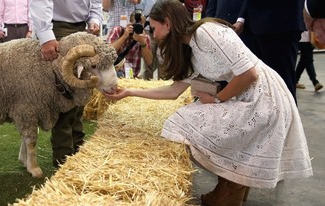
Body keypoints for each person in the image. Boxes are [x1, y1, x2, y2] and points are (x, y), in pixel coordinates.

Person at [105, 1, 312, 205]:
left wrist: (216, 99)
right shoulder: (188, 48)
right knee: (183, 118)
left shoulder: (207, 31)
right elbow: (173, 91)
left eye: (155, 27)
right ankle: (231, 184)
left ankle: (232, 184)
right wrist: (129, 92)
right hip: (246, 96)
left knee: (183, 121)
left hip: (265, 97)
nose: (153, 33)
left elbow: (249, 74)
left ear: (167, 23)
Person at [30, 0, 102, 167]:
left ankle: (77, 152)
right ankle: (63, 159)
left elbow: (96, 1)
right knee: (65, 95)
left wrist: (95, 20)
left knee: (81, 92)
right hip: (58, 27)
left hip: (83, 27)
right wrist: (46, 35)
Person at [237, 0, 304, 102]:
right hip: (250, 26)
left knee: (282, 86)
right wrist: (241, 18)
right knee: (257, 92)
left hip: (280, 23)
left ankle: (289, 118)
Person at [107, 10, 153, 78]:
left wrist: (142, 42)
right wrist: (124, 37)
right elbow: (107, 51)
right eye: (135, 25)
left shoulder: (144, 37)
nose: (137, 28)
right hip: (114, 73)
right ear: (129, 23)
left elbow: (149, 62)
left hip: (132, 76)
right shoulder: (118, 30)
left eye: (139, 26)